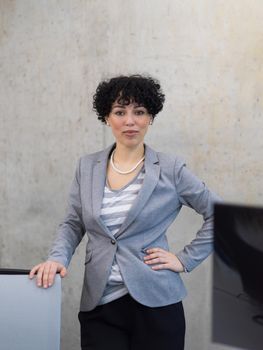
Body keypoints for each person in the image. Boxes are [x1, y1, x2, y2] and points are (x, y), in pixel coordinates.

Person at [29, 74, 220, 350]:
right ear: (107, 116)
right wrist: (56, 258)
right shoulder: (87, 167)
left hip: (157, 304)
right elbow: (73, 223)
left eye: (139, 112)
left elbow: (220, 215)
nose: (130, 121)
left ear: (150, 117)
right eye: (120, 112)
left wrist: (184, 260)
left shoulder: (171, 169)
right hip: (100, 305)